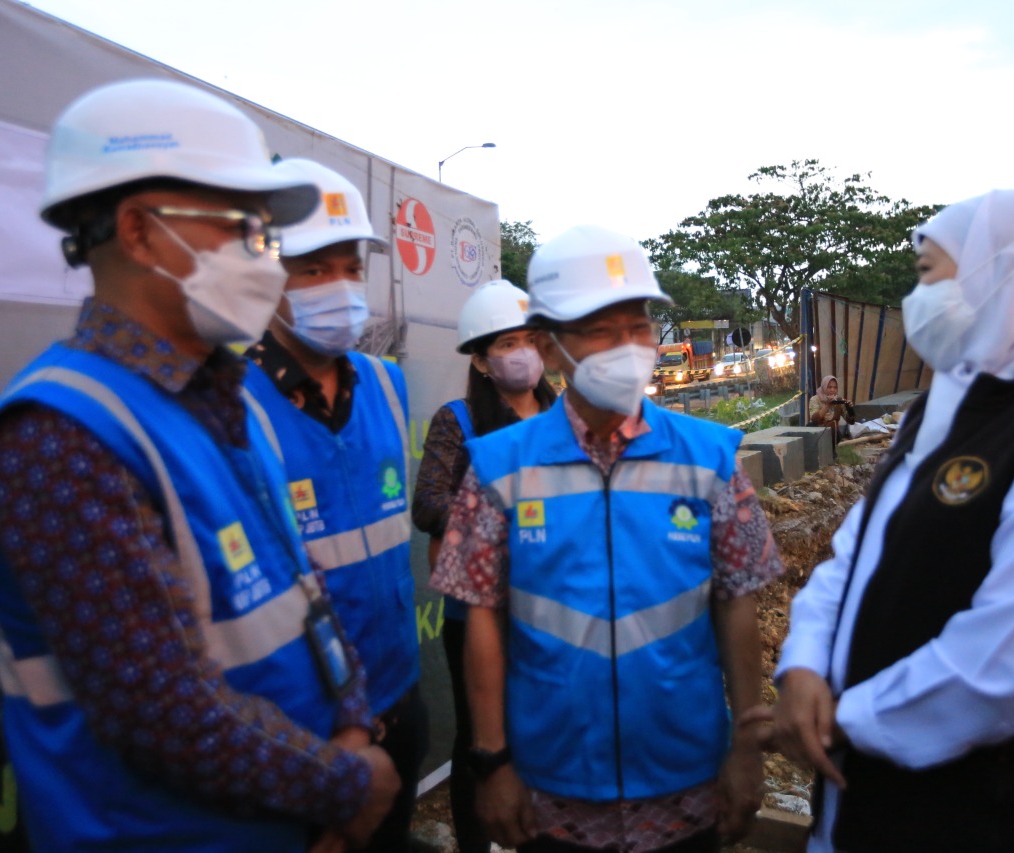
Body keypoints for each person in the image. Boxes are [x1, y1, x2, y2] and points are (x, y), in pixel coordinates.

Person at [0, 79, 400, 852]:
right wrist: (346, 786)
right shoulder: (59, 437)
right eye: (245, 228)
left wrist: (353, 723)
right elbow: (159, 710)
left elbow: (304, 594)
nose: (266, 258)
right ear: (139, 231)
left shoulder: (221, 400)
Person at [761, 189, 1014, 852]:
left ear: (1004, 275)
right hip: (861, 811)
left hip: (989, 821)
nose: (917, 297)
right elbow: (853, 557)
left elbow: (1004, 665)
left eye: (929, 274)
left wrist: (841, 719)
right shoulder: (939, 412)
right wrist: (804, 665)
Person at [431, 224, 784, 853]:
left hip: (687, 782)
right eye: (599, 329)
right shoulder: (497, 466)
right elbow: (480, 615)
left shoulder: (710, 457)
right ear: (549, 346)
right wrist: (492, 759)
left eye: (638, 325)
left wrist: (747, 748)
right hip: (551, 787)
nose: (627, 347)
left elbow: (738, 601)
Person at [242, 157, 426, 853]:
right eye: (314, 269)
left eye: (351, 267)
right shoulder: (228, 402)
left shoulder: (387, 384)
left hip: (400, 692)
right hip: (307, 725)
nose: (340, 287)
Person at [412, 277, 558, 853]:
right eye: (506, 344)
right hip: (478, 610)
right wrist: (508, 514)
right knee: (481, 735)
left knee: (548, 724)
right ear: (480, 360)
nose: (522, 353)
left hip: (554, 604)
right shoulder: (459, 420)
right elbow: (428, 505)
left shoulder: (564, 415)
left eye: (530, 340)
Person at [807, 375, 856, 440]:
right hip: (816, 433)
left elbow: (851, 421)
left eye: (835, 387)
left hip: (833, 434)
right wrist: (828, 405)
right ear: (824, 387)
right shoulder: (815, 399)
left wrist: (849, 409)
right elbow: (815, 419)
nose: (832, 390)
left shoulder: (839, 401)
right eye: (829, 387)